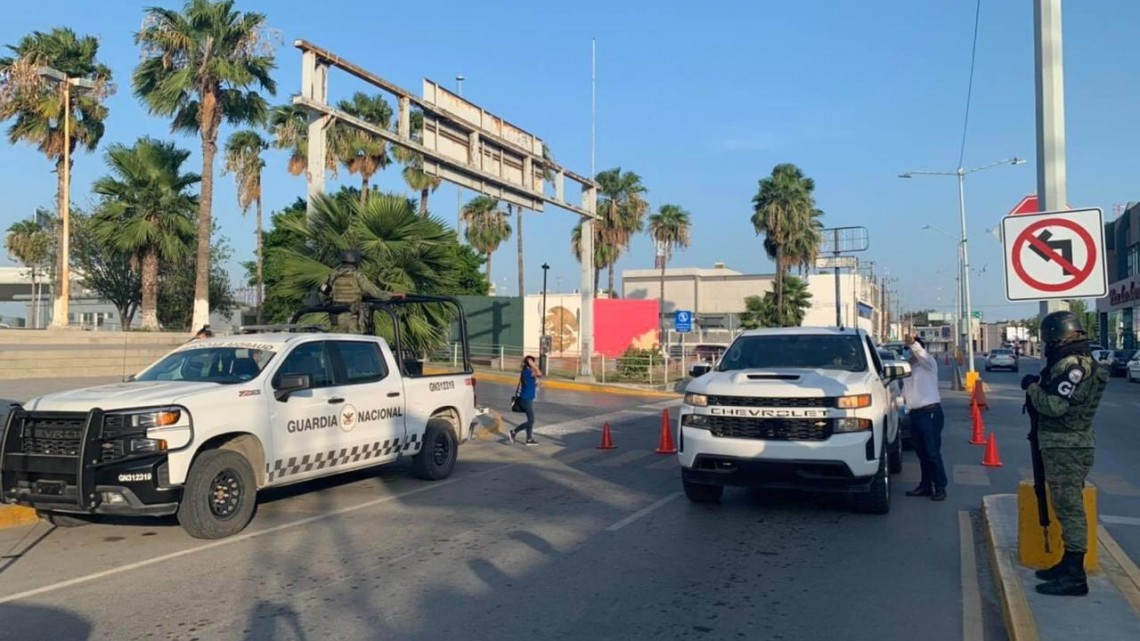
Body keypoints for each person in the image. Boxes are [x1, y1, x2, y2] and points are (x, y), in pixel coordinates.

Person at [1022, 310, 1108, 597]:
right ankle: (1067, 565)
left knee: (1070, 509)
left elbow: (1055, 406)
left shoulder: (1072, 365)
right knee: (1065, 505)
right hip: (1067, 444)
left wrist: (1033, 389)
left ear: (1057, 336)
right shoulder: (1080, 361)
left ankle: (1075, 575)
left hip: (1066, 446)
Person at [901, 335, 947, 501]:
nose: (909, 353)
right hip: (915, 414)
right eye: (906, 350)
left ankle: (940, 486)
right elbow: (905, 395)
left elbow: (921, 354)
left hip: (930, 413)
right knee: (921, 453)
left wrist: (913, 344)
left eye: (910, 350)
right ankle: (926, 485)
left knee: (932, 452)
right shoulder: (907, 370)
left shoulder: (928, 365)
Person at [319, 249, 403, 334]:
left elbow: (322, 292)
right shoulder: (358, 276)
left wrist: (329, 303)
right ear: (355, 263)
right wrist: (393, 294)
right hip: (352, 315)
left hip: (336, 317)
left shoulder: (333, 275)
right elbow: (375, 293)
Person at [507, 356, 542, 446]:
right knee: (531, 421)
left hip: (527, 398)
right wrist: (533, 365)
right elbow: (539, 373)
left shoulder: (527, 372)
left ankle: (529, 439)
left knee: (530, 420)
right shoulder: (527, 372)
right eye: (533, 362)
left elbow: (531, 381)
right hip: (525, 399)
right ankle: (513, 432)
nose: (535, 364)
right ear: (529, 363)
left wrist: (536, 384)